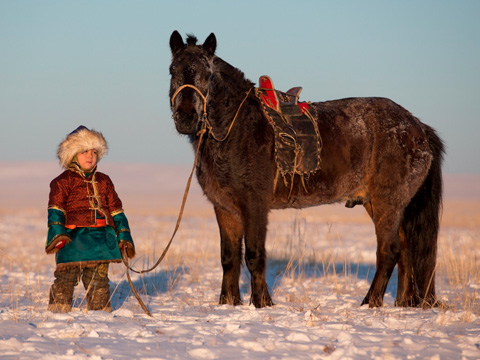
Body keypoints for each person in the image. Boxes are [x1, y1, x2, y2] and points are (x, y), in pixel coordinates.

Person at [45, 126, 135, 313]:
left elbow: (117, 211)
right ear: (72, 155)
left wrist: (124, 236)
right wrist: (57, 234)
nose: (90, 156)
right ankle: (57, 315)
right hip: (72, 238)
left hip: (101, 240)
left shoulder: (104, 180)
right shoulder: (62, 181)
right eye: (84, 151)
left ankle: (100, 315)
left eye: (94, 152)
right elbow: (56, 210)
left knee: (99, 281)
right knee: (65, 278)